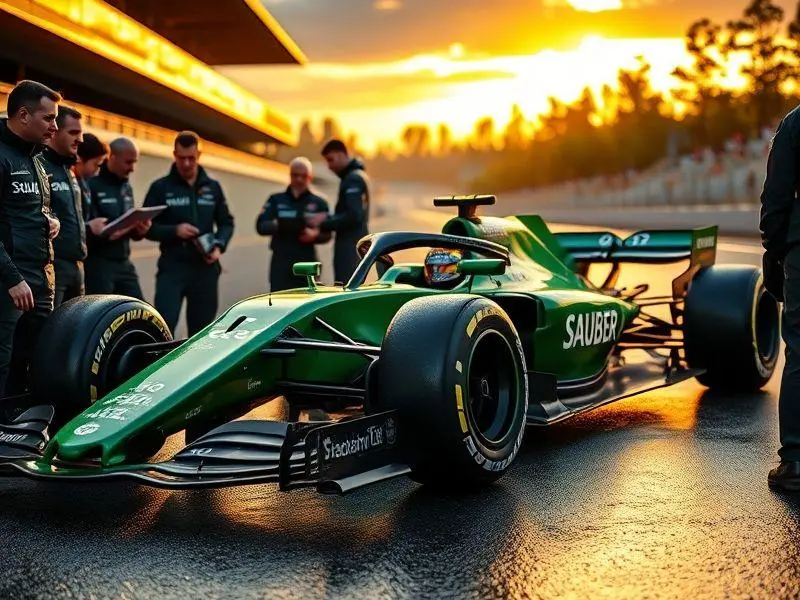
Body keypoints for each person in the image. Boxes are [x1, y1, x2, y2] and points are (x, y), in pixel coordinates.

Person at [0, 80, 62, 400]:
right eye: (48, 118)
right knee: (3, 363)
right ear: (23, 115)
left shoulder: (37, 160)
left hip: (40, 280)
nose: (55, 126)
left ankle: (18, 435)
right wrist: (12, 278)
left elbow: (30, 211)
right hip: (9, 284)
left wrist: (51, 222)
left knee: (32, 362)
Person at [143, 131, 234, 336]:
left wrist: (218, 246)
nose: (186, 164)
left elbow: (227, 223)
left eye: (191, 158)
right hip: (172, 268)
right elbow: (146, 228)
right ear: (174, 154)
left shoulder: (213, 187)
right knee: (163, 327)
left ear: (199, 155)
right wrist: (175, 231)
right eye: (181, 158)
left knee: (201, 334)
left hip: (205, 269)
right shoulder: (160, 187)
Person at [760, 104, 800, 491]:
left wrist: (774, 250)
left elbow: (775, 197)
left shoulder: (794, 123)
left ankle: (797, 463)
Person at [41, 106, 105, 307]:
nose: (81, 139)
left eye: (81, 133)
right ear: (54, 130)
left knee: (75, 331)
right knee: (51, 332)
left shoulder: (69, 170)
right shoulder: (40, 165)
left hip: (78, 266)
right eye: (73, 132)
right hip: (53, 266)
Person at [84, 137, 150, 298]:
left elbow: (131, 227)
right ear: (112, 158)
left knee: (139, 311)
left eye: (135, 162)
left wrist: (141, 230)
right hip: (99, 265)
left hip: (124, 263)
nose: (132, 168)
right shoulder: (90, 184)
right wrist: (108, 233)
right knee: (100, 316)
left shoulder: (126, 187)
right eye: (128, 162)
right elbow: (86, 230)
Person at [256, 157, 331, 291]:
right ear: (290, 175)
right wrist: (281, 225)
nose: (299, 179)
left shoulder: (320, 202)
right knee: (279, 303)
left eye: (303, 176)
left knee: (308, 304)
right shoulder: (275, 200)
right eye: (295, 175)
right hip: (281, 260)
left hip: (307, 261)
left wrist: (315, 235)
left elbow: (328, 234)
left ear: (310, 177)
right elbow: (261, 226)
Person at [306, 139, 370, 284]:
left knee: (346, 289)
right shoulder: (355, 176)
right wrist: (329, 217)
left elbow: (353, 216)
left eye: (331, 160)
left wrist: (323, 223)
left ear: (342, 155)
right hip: (354, 244)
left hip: (350, 247)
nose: (329, 166)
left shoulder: (352, 179)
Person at [74, 132, 108, 201]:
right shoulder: (67, 183)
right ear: (80, 158)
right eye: (97, 164)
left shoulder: (85, 183)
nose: (98, 170)